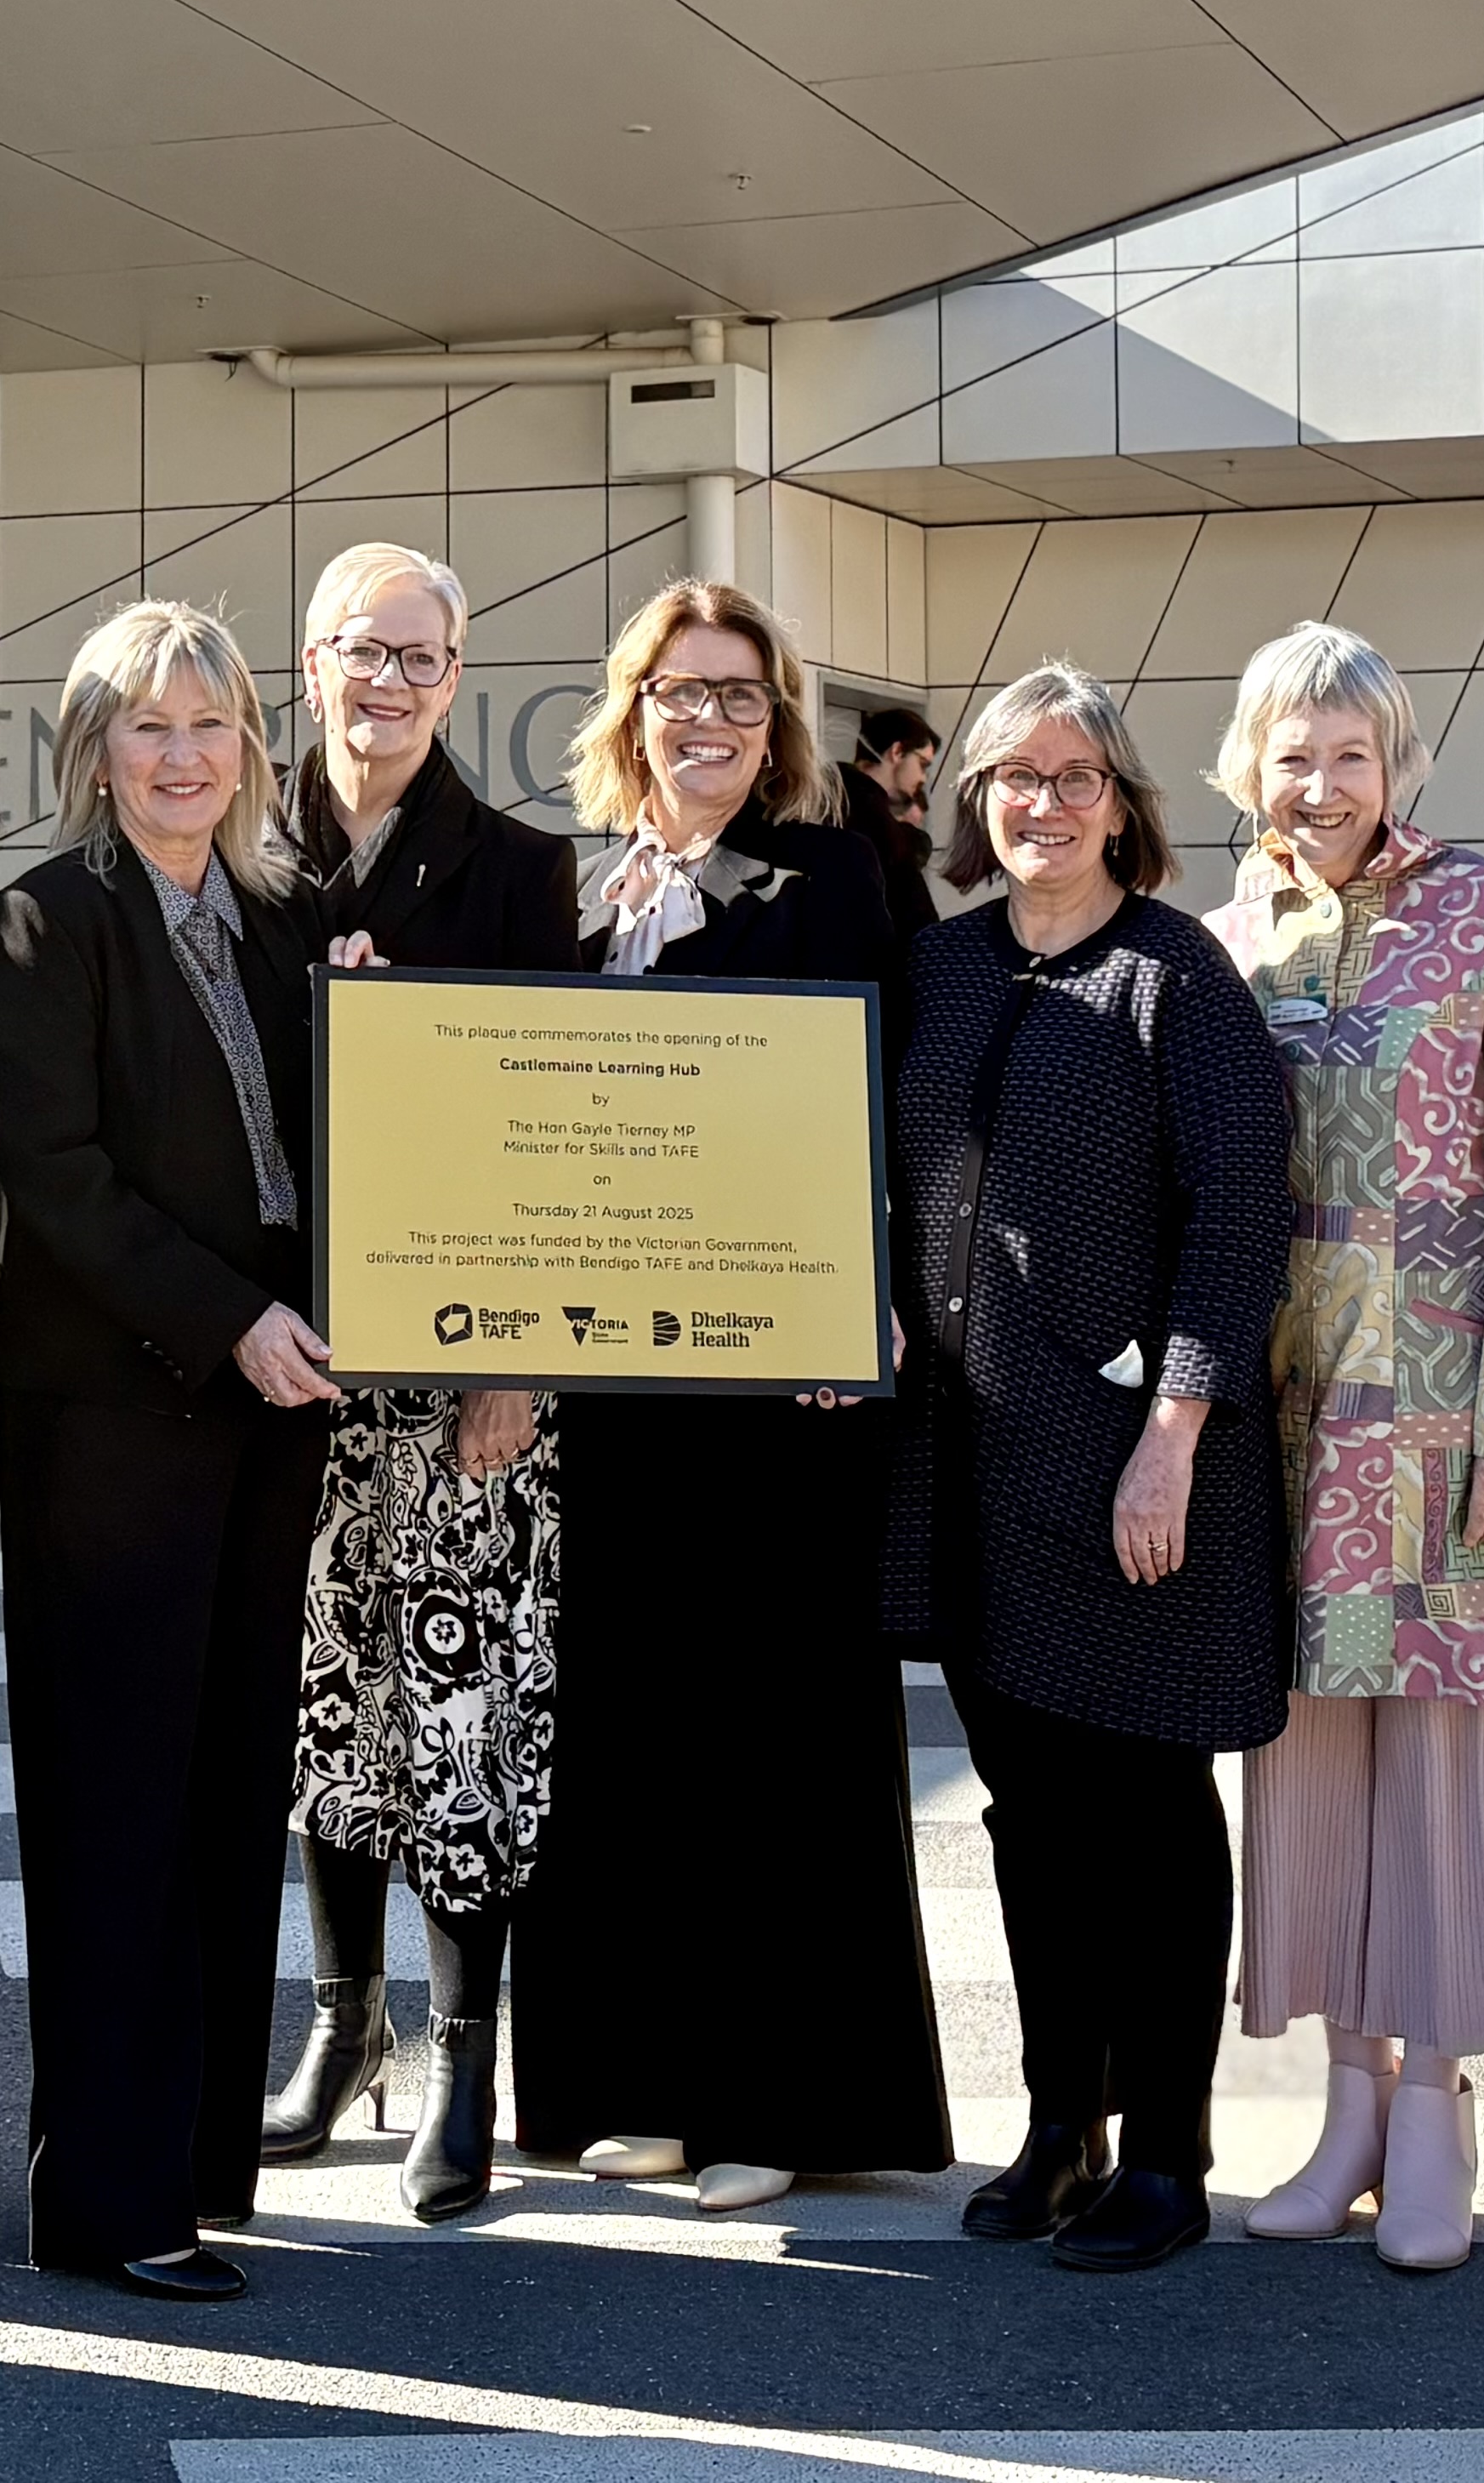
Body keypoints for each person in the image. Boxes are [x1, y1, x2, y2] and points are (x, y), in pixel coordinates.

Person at [1203, 624, 1484, 2275]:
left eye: (1348, 755)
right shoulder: (1224, 936)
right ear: (1245, 766)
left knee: (1451, 1781)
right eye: (1288, 754)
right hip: (1295, 1420)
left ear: (1397, 765)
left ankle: (1441, 2112)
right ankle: (1346, 2108)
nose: (1316, 786)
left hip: (1458, 1404)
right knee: (1308, 1775)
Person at [509, 578, 950, 2216]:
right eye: (680, 692)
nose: (708, 720)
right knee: (635, 1725)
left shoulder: (837, 871)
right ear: (629, 708)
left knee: (785, 1731)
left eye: (740, 697)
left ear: (779, 725)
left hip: (785, 1388)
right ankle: (650, 2084)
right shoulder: (579, 894)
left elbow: (900, 1103)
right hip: (618, 1389)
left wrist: (875, 1302)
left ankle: (786, 2098)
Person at [882, 663, 1294, 2275]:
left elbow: (1236, 1216)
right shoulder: (940, 965)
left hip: (1133, 1468)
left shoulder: (1172, 978)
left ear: (1123, 801)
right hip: (970, 1469)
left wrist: (1174, 1436)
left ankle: (1173, 2155)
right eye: (1009, 778)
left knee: (1145, 1817)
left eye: (1071, 777)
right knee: (1027, 1813)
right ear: (973, 803)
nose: (1038, 804)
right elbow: (882, 1172)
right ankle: (1064, 2127)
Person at [0, 600, 337, 2299]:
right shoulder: (46, 924)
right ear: (92, 751)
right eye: (147, 728)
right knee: (114, 1805)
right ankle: (108, 2204)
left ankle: (200, 2165)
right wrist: (231, 1321)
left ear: (250, 746)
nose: (182, 757)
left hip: (273, 1411)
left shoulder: (286, 925)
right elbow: (58, 1185)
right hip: (122, 1415)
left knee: (222, 1789)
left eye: (211, 726)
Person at [264, 542, 582, 2220]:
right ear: (305, 660)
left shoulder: (524, 874)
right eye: (355, 652)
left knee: (462, 1718)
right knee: (330, 1708)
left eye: (415, 659)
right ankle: (341, 2033)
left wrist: (516, 1358)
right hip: (298, 1361)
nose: (382, 685)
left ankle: (465, 2059)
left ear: (455, 679)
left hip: (470, 1375)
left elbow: (550, 1128)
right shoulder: (245, 854)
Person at [843, 703, 943, 943]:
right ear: (897, 751)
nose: (923, 777)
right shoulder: (864, 812)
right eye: (922, 764)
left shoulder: (852, 801)